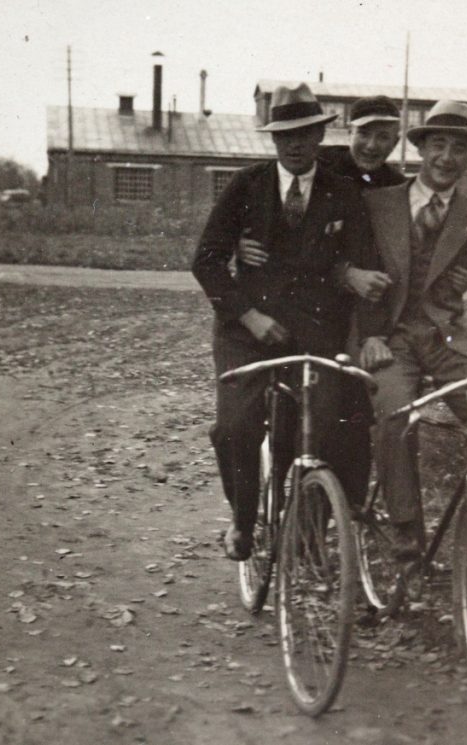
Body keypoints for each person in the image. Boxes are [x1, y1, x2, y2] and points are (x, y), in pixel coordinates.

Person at [234, 94, 467, 511]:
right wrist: (242, 242)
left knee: (355, 424)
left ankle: (348, 524)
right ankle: (294, 522)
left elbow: (414, 248)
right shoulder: (314, 167)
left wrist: (448, 272)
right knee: (301, 419)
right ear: (347, 133)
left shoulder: (397, 186)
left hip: (365, 321)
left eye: (384, 137)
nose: (372, 146)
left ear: (397, 139)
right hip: (310, 313)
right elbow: (276, 225)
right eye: (364, 134)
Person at [191, 82, 370, 561]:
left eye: (305, 133)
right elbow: (205, 261)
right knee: (235, 429)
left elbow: (361, 259)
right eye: (284, 135)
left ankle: (306, 526)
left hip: (312, 330)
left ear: (318, 135)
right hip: (245, 330)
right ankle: (243, 522)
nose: (295, 144)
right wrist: (248, 316)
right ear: (272, 140)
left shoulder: (342, 192)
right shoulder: (246, 186)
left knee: (324, 423)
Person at [356, 100, 467, 560]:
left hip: (449, 338)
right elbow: (346, 269)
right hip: (390, 340)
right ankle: (407, 524)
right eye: (438, 145)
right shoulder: (377, 205)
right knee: (394, 412)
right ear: (420, 150)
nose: (447, 158)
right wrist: (368, 334)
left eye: (458, 149)